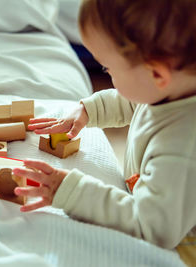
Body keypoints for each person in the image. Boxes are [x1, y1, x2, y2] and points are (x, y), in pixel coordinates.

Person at [13, 0, 196, 256]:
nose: (107, 73)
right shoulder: (174, 89)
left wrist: (71, 191)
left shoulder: (181, 148)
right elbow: (135, 102)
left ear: (157, 75)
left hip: (185, 245)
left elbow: (152, 227)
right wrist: (90, 109)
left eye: (108, 68)